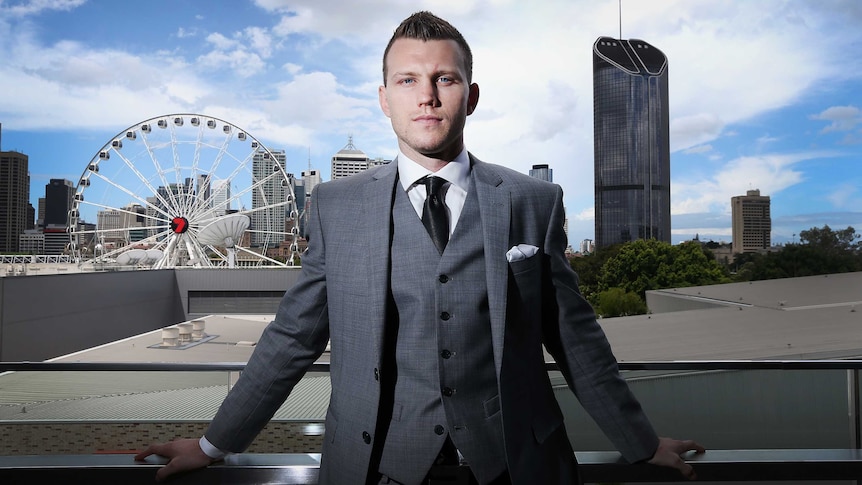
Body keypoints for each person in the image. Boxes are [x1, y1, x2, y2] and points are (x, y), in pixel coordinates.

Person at [135, 11, 704, 484]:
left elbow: (576, 340)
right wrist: (213, 444)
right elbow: (292, 338)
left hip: (513, 466)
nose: (426, 97)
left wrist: (641, 441)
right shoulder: (336, 205)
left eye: (444, 79)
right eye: (408, 80)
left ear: (471, 95)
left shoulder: (535, 201)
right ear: (384, 98)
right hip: (376, 469)